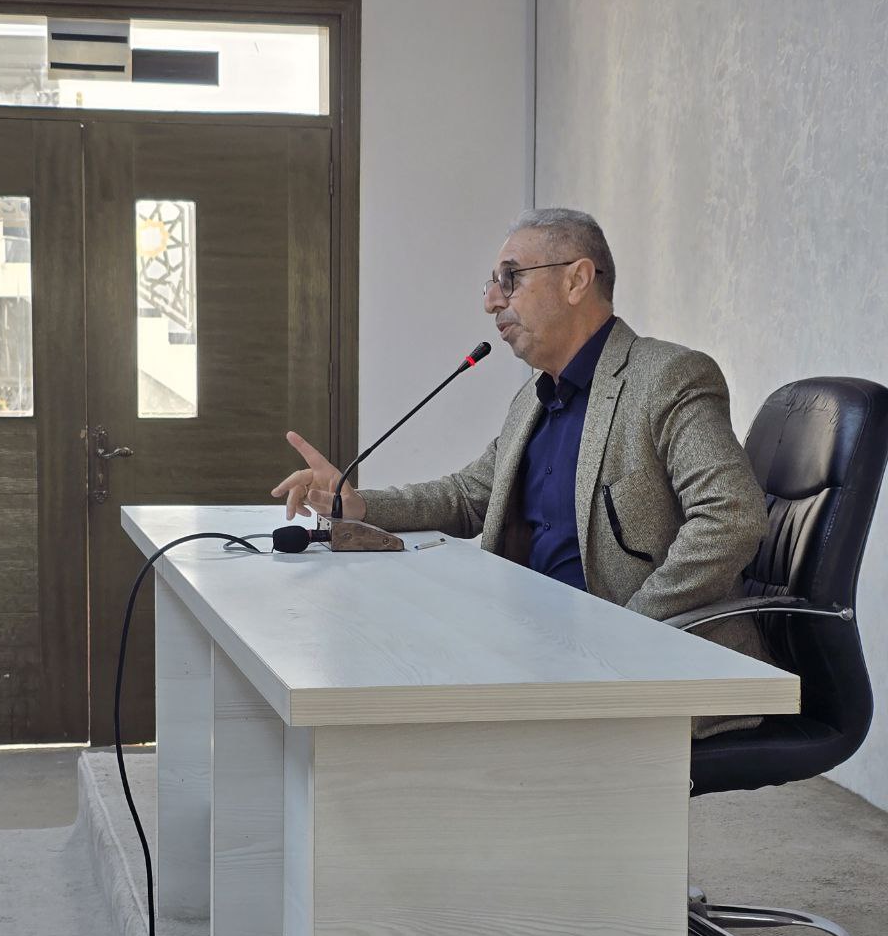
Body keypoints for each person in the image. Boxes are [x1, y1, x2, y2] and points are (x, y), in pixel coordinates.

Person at [272, 208, 772, 738]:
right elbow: (470, 496)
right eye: (492, 283)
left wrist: (628, 629)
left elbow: (731, 516)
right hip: (528, 649)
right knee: (378, 670)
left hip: (633, 667)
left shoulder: (667, 377)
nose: (491, 301)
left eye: (510, 278)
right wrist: (357, 505)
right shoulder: (533, 397)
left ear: (576, 280)